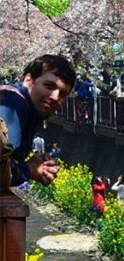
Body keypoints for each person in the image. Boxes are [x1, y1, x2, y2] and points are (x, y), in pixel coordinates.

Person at [0, 55, 75, 186]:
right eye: (49, 86)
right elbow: (2, 167)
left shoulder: (29, 110)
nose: (55, 97)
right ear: (28, 80)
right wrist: (29, 169)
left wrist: (32, 165)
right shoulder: (12, 102)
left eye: (62, 94)